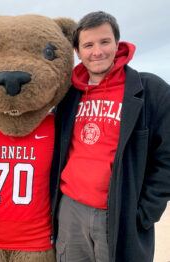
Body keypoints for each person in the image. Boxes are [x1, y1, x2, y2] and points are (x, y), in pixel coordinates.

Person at [51, 11, 170, 262]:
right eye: (88, 45)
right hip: (71, 209)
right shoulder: (68, 96)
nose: (97, 51)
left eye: (104, 42)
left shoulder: (149, 90)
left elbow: (167, 157)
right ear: (77, 51)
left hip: (119, 211)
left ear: (117, 43)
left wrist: (145, 212)